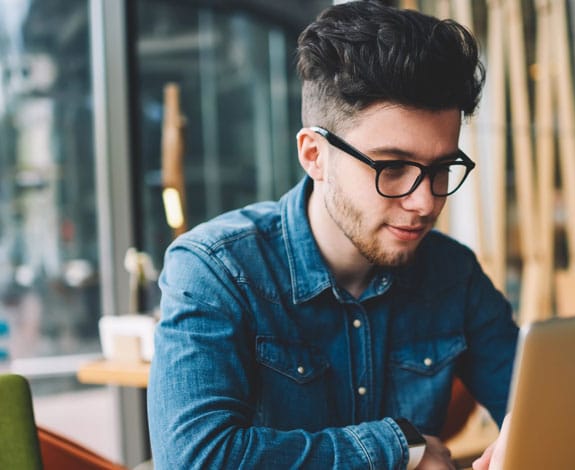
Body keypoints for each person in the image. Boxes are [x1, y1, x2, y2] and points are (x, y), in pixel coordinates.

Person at [147, 1, 519, 468]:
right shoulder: (215, 270)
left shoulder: (452, 273)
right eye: (393, 167)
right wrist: (396, 448)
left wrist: (525, 448)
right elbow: (195, 460)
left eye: (442, 168)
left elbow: (538, 409)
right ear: (314, 155)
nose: (425, 202)